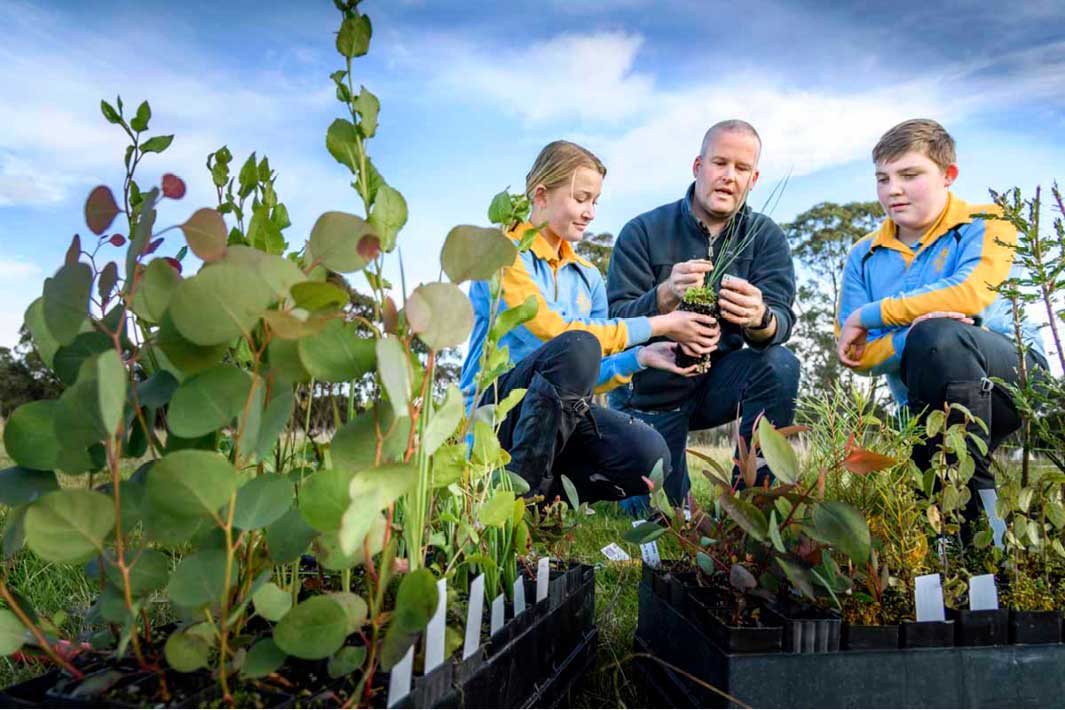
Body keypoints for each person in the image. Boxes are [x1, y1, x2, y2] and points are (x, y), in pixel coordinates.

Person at [458, 140, 720, 504]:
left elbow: (585, 369)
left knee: (649, 455)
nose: (590, 212)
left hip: (554, 421)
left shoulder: (588, 277)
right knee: (578, 344)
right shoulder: (502, 254)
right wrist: (660, 324)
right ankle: (512, 504)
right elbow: (556, 334)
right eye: (581, 199)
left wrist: (640, 358)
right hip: (497, 412)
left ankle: (546, 498)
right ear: (541, 195)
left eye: (595, 201)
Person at [837, 118, 1046, 531]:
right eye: (883, 178)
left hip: (1012, 378)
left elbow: (968, 293)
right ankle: (944, 550)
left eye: (909, 175)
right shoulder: (862, 255)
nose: (892, 189)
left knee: (942, 339)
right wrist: (913, 336)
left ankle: (982, 537)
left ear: (948, 175)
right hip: (921, 399)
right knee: (934, 342)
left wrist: (870, 316)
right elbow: (855, 353)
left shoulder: (989, 222)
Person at [606, 120, 800, 508]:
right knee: (663, 519)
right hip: (649, 394)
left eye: (742, 169)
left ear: (754, 177)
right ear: (698, 166)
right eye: (720, 163)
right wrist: (663, 296)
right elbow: (613, 322)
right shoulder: (642, 231)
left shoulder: (766, 237)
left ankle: (754, 504)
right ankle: (640, 476)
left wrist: (759, 318)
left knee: (780, 364)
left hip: (717, 384)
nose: (729, 177)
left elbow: (781, 320)